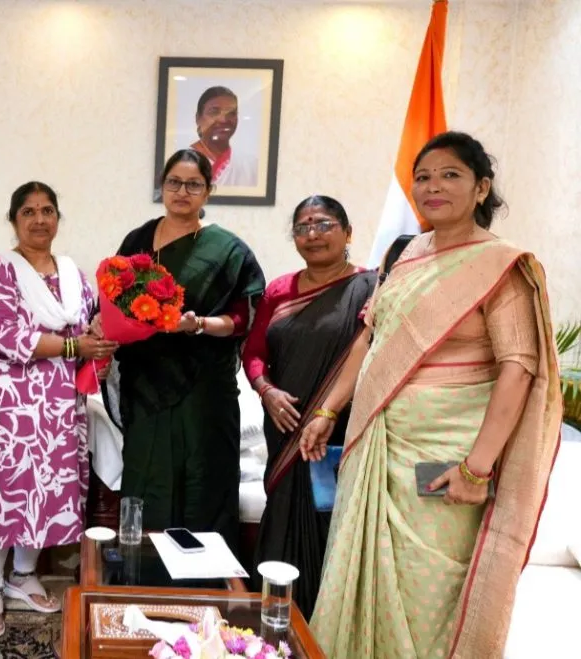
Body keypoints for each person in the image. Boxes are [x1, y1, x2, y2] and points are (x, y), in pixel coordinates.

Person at [306, 132, 562, 657]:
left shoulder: (502, 267)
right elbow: (370, 341)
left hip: (448, 461)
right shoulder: (408, 258)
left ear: (481, 187)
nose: (433, 187)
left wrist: (477, 469)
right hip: (382, 449)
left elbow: (517, 370)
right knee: (365, 583)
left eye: (450, 175)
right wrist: (328, 410)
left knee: (431, 593)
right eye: (423, 176)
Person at [0, 182, 115, 638]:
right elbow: (2, 333)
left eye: (47, 210)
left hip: (59, 405)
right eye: (28, 212)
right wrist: (76, 343)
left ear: (58, 217)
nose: (39, 220)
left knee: (46, 490)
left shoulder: (73, 272)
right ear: (14, 220)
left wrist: (105, 335)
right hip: (10, 404)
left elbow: (91, 323)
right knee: (6, 490)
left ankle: (23, 575)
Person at [108, 148, 265, 554]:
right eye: (174, 182)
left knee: (204, 479)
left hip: (204, 389)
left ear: (208, 191)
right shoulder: (138, 240)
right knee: (147, 476)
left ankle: (206, 584)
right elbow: (114, 300)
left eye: (193, 184)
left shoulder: (228, 250)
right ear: (162, 186)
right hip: (146, 385)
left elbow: (244, 318)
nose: (182, 191)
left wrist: (197, 324)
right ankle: (141, 575)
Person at [240, 195, 375, 616]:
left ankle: (327, 627)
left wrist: (330, 412)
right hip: (284, 430)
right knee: (282, 523)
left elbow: (372, 355)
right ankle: (275, 626)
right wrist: (267, 391)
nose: (312, 234)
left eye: (324, 224)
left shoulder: (371, 288)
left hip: (339, 433)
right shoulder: (278, 291)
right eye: (303, 227)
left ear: (348, 233)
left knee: (330, 527)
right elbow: (253, 352)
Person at [188, 86, 257, 188]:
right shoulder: (181, 160)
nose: (223, 120)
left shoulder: (251, 165)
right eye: (214, 112)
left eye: (231, 113)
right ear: (198, 118)